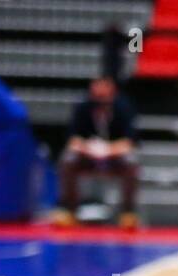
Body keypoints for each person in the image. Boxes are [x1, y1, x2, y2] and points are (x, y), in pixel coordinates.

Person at [54, 75, 140, 229]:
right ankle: (68, 210)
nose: (100, 91)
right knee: (68, 160)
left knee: (131, 162)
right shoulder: (82, 107)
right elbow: (72, 139)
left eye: (104, 86)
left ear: (112, 89)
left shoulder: (123, 108)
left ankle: (128, 213)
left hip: (114, 156)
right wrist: (90, 149)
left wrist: (107, 150)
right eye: (97, 86)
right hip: (88, 155)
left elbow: (129, 142)